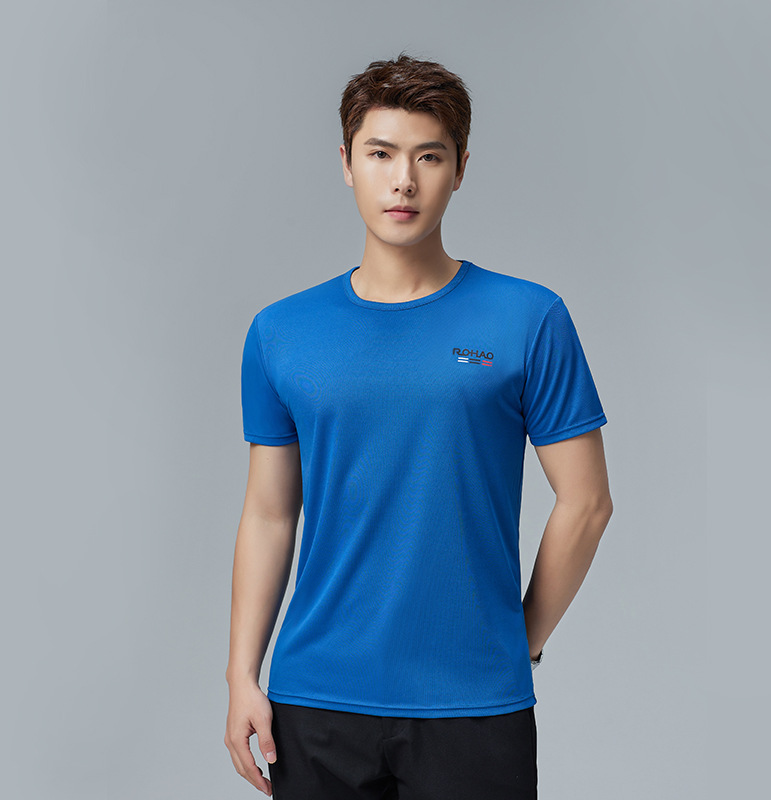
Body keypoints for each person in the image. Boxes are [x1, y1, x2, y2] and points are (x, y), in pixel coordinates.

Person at [224, 53, 613, 799]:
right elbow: (269, 514)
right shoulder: (281, 331)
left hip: (475, 706)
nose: (403, 180)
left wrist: (517, 643)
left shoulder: (529, 318)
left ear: (460, 169)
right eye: (381, 154)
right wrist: (242, 675)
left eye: (429, 157)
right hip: (316, 700)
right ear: (347, 163)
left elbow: (588, 502)